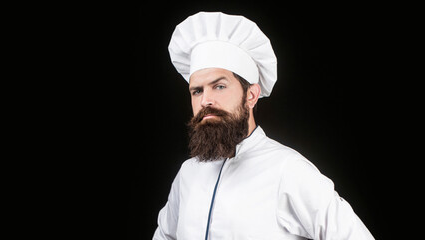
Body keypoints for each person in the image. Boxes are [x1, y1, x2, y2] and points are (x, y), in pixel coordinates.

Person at [153, 12, 374, 240]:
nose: (205, 100)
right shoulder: (188, 174)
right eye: (197, 91)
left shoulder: (287, 169)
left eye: (219, 86)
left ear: (251, 95)